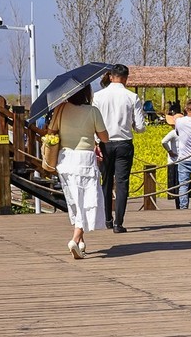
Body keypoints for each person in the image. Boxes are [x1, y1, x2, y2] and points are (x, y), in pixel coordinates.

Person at [53, 85, 109, 259]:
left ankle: (82, 243)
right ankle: (74, 240)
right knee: (87, 201)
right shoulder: (93, 111)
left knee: (75, 201)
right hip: (84, 160)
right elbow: (105, 137)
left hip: (65, 159)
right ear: (87, 93)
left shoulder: (60, 108)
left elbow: (51, 131)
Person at [92, 63, 145, 233]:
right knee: (122, 183)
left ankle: (107, 218)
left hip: (104, 143)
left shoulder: (98, 96)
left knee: (106, 181)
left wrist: (95, 142)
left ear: (111, 76)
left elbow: (94, 123)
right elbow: (140, 127)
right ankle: (118, 223)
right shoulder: (132, 97)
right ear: (126, 78)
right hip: (124, 143)